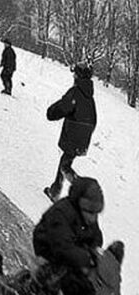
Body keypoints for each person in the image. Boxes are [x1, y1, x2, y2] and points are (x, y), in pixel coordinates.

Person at [43, 62, 97, 201]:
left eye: (75, 73)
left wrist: (51, 113)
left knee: (65, 166)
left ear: (78, 75)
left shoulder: (76, 92)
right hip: (83, 136)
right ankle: (55, 191)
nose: (73, 76)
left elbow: (64, 106)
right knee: (65, 161)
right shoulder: (89, 97)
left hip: (74, 134)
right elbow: (93, 118)